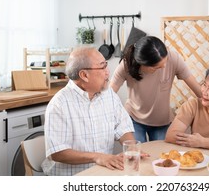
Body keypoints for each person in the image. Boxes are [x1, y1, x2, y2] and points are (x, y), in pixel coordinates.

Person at [42, 47, 138, 176]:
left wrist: (131, 148)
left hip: (102, 173)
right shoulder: (59, 104)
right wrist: (97, 157)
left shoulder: (109, 95)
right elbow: (58, 153)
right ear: (84, 75)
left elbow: (123, 127)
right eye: (102, 67)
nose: (108, 72)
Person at [110, 36, 202, 143]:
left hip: (162, 122)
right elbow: (109, 95)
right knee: (137, 155)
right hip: (134, 119)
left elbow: (198, 90)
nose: (164, 67)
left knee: (161, 157)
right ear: (141, 64)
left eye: (165, 61)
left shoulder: (173, 58)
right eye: (157, 67)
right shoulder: (127, 64)